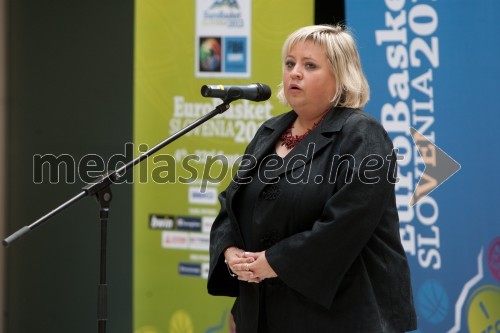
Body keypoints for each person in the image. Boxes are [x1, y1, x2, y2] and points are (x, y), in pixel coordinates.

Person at [207, 24, 417, 333]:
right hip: (264, 310)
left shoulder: (362, 135)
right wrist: (230, 253)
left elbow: (344, 226)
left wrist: (272, 262)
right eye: (290, 63)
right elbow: (232, 203)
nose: (294, 73)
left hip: (342, 315)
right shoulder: (269, 131)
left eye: (309, 65)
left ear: (340, 77)